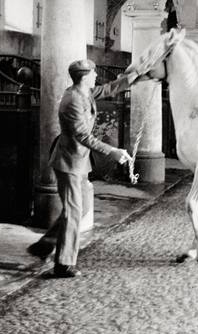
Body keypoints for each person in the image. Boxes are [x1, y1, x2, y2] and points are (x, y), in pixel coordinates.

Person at [28, 59, 137, 278]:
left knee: (83, 206)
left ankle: (45, 244)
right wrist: (113, 151)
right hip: (68, 162)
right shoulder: (72, 100)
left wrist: (136, 75)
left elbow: (109, 88)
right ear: (85, 76)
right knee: (73, 211)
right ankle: (63, 264)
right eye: (94, 73)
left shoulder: (85, 92)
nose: (97, 76)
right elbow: (83, 136)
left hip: (79, 161)